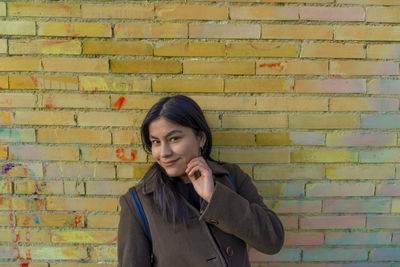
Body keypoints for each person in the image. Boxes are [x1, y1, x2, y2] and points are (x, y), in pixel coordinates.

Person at [118, 95, 284, 267]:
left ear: (200, 138)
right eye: (156, 142)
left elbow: (272, 241)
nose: (164, 152)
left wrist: (214, 197)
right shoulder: (138, 203)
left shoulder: (231, 177)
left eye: (174, 138)